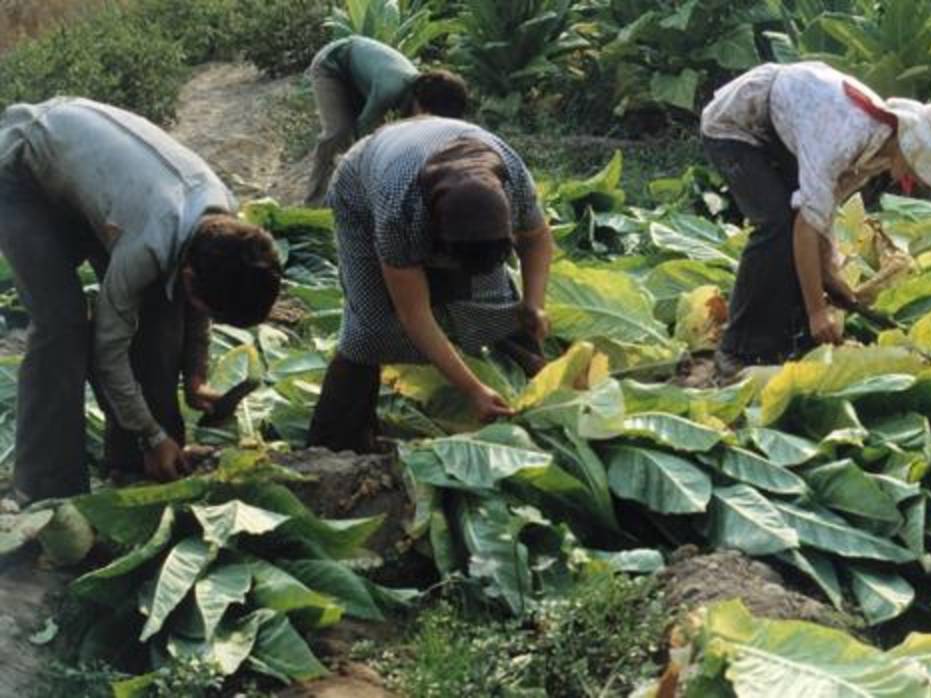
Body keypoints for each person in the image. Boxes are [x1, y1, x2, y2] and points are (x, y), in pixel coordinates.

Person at [0, 97, 283, 503]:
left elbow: (197, 301)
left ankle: (138, 462)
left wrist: (196, 375)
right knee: (63, 327)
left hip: (97, 185)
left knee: (160, 311)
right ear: (190, 275)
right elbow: (109, 350)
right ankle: (45, 489)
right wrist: (151, 434)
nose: (204, 314)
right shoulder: (147, 246)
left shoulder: (222, 224)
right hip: (23, 173)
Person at [700, 61, 931, 375]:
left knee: (797, 237)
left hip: (784, 125)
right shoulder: (845, 138)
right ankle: (738, 348)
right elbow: (805, 228)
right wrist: (817, 312)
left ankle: (789, 341)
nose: (921, 180)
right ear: (914, 147)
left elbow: (822, 212)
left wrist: (830, 277)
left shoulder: (876, 150)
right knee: (777, 225)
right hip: (736, 124)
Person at [307, 117, 553, 454]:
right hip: (362, 188)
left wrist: (533, 304)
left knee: (496, 307)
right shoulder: (398, 210)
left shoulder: (512, 180)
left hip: (440, 177)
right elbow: (415, 315)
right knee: (372, 328)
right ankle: (334, 443)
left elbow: (537, 237)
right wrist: (473, 390)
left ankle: (545, 406)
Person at [304, 36, 471, 205]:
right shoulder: (390, 89)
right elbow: (363, 133)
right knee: (339, 131)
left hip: (360, 76)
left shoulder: (416, 91)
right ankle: (314, 199)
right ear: (422, 104)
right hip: (332, 65)